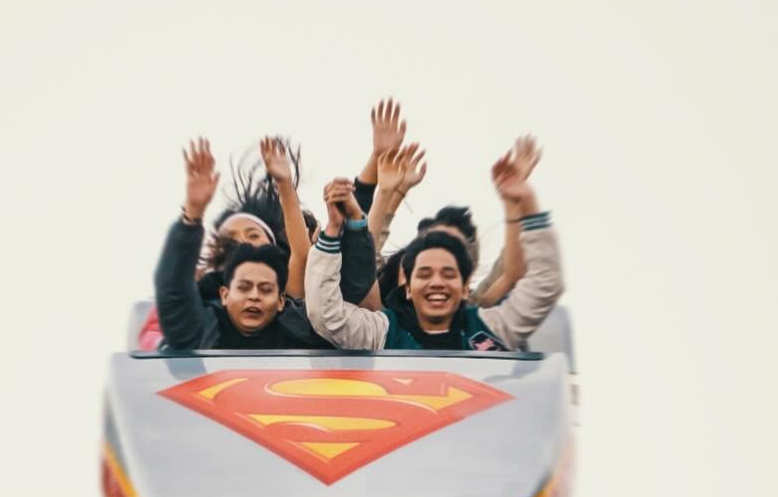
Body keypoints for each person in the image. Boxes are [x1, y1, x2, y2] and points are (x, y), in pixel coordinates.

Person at [305, 143, 563, 352]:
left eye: (448, 274)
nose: (437, 283)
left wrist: (526, 202)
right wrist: (333, 229)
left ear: (465, 288)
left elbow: (545, 286)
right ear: (407, 288)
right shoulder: (383, 332)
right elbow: (327, 316)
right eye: (424, 274)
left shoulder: (489, 328)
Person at [156, 139, 330, 349]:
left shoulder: (293, 313)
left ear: (281, 300)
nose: (242, 242)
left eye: (253, 235)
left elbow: (300, 255)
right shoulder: (202, 318)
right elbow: (174, 290)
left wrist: (284, 184)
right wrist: (193, 213)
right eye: (244, 287)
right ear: (225, 293)